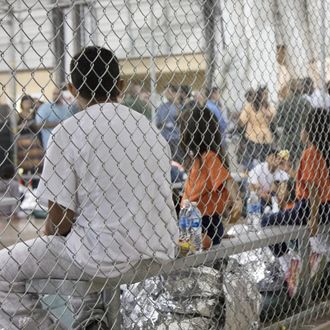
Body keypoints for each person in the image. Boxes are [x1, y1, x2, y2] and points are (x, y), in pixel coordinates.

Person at [0, 46, 179, 329]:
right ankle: (92, 319)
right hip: (159, 247)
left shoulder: (67, 132)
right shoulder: (149, 129)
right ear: (120, 84)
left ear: (72, 88)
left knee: (4, 271)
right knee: (86, 240)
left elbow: (58, 223)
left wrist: (57, 236)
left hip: (104, 256)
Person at [261, 108, 330, 256]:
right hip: (327, 208)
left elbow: (313, 189)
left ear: (310, 131)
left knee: (266, 221)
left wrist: (314, 218)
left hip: (309, 208)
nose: (301, 131)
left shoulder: (310, 153)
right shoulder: (324, 150)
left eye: (304, 127)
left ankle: (287, 264)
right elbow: (313, 182)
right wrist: (290, 170)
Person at [180, 107, 242, 246]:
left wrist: (237, 200)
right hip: (200, 218)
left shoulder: (208, 157)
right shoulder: (201, 159)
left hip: (201, 219)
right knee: (202, 253)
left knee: (199, 252)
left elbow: (227, 181)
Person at [239, 86, 276, 170]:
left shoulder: (268, 107)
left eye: (267, 94)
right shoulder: (250, 106)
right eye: (264, 94)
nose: (266, 96)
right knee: (253, 162)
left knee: (263, 163)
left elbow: (273, 117)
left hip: (264, 139)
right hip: (254, 138)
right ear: (259, 95)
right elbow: (242, 121)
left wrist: (265, 112)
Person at [155, 84, 185, 163]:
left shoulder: (180, 106)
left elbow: (181, 121)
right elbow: (158, 123)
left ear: (176, 93)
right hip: (166, 139)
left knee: (179, 162)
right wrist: (164, 124)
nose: (166, 93)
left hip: (177, 138)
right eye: (166, 91)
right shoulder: (162, 107)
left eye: (169, 91)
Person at [16, 95, 44, 174]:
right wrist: (21, 127)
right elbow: (13, 128)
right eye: (26, 102)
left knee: (36, 165)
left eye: (29, 102)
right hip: (23, 143)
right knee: (25, 166)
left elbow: (39, 127)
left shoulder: (35, 114)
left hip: (34, 143)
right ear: (22, 104)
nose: (27, 104)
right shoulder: (18, 115)